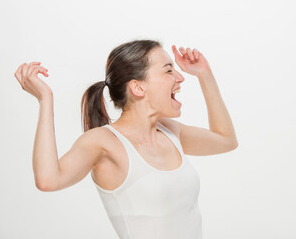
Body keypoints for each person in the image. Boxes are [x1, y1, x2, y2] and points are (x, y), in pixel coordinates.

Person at [14, 39, 238, 239]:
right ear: (138, 87)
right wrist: (45, 99)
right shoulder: (103, 142)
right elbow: (48, 180)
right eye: (169, 71)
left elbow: (226, 140)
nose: (180, 77)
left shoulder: (171, 131)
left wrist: (205, 74)